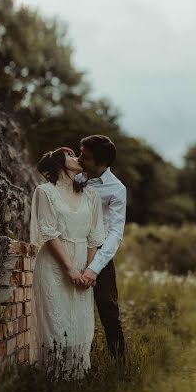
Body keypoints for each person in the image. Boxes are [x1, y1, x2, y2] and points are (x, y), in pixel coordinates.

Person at [28, 147, 106, 378]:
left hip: (83, 262)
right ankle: (52, 381)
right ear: (59, 164)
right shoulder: (45, 192)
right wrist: (70, 269)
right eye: (71, 156)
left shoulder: (91, 195)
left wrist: (89, 269)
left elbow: (95, 235)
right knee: (55, 322)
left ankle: (77, 379)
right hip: (54, 265)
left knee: (79, 324)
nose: (78, 158)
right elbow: (49, 233)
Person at [71, 134, 127, 363]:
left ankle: (119, 365)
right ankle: (71, 358)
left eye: (85, 157)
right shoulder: (73, 176)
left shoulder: (116, 189)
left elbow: (115, 233)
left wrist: (94, 268)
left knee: (107, 307)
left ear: (101, 163)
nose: (79, 158)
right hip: (70, 246)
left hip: (100, 251)